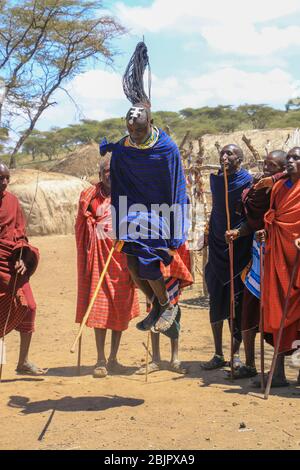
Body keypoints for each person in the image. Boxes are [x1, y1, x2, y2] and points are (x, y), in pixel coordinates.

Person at [100, 103, 189, 335]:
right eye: (131, 131)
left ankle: (168, 306)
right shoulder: (124, 146)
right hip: (133, 210)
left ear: (150, 123)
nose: (135, 136)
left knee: (148, 264)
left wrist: (175, 226)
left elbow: (176, 184)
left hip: (160, 212)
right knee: (131, 266)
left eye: (139, 131)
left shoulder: (166, 147)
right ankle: (156, 304)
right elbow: (120, 182)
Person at [75, 155, 140, 378]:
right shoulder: (89, 195)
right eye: (106, 172)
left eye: (114, 171)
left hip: (122, 261)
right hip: (98, 259)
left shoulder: (128, 194)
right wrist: (94, 226)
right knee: (99, 309)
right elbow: (81, 225)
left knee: (119, 310)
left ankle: (113, 358)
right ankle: (100, 359)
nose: (110, 175)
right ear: (100, 174)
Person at [225, 150, 287, 379]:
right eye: (266, 164)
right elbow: (253, 223)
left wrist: (270, 231)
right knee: (249, 309)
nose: (267, 169)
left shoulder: (288, 189)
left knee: (285, 313)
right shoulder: (258, 189)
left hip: (283, 261)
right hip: (258, 258)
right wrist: (237, 231)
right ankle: (250, 363)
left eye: (273, 165)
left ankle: (280, 370)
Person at [200, 145, 253, 371]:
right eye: (222, 153)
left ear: (239, 159)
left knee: (237, 303)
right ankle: (218, 353)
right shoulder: (216, 181)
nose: (224, 157)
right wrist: (209, 230)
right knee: (216, 301)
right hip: (217, 246)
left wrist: (238, 232)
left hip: (238, 248)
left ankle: (236, 354)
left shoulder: (246, 182)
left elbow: (253, 216)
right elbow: (217, 210)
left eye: (229, 154)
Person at [254, 147, 300, 387]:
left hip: (298, 263)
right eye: (289, 158)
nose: (291, 161)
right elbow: (274, 218)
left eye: (296, 158)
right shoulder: (280, 188)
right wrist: (265, 232)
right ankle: (278, 374)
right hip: (280, 261)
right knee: (279, 313)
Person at [0, 162, 45, 375]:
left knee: (30, 306)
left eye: (7, 177)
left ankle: (23, 362)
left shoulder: (13, 201)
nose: (5, 182)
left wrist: (22, 257)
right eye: (1, 178)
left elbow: (20, 233)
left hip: (13, 265)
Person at [135, 243, 193, 375]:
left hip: (170, 269)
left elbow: (182, 245)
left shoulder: (172, 224)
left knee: (173, 313)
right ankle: (156, 359)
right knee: (154, 312)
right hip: (151, 269)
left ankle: (175, 359)